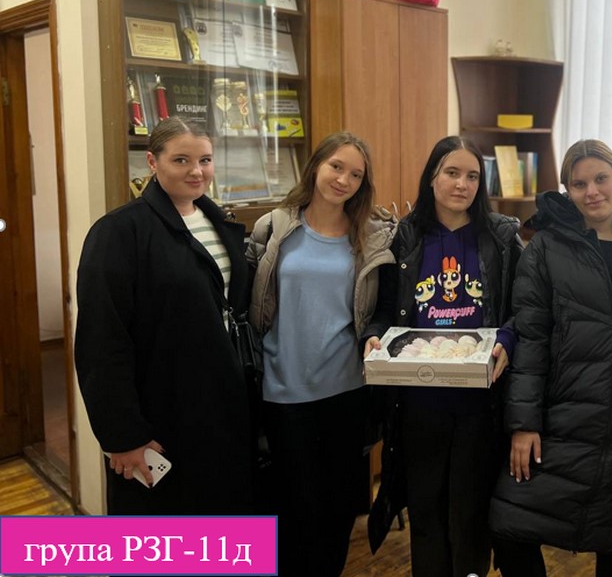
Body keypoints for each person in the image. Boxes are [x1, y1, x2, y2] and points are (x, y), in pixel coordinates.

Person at [490, 139, 612, 577]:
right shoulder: (546, 248)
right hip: (563, 421)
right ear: (568, 190)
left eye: (601, 179)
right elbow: (532, 338)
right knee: (509, 527)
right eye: (579, 184)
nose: (592, 191)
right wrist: (524, 424)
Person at [363, 136, 524, 577]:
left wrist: (507, 339)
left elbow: (523, 308)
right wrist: (375, 337)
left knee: (469, 512)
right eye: (452, 173)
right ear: (432, 177)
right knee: (427, 510)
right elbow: (385, 310)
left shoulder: (501, 237)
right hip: (419, 403)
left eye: (472, 176)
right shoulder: (406, 237)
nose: (462, 184)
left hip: (480, 405)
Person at [75, 117, 253, 515]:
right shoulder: (119, 232)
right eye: (181, 160)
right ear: (153, 162)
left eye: (205, 160)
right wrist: (123, 435)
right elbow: (102, 341)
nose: (196, 171)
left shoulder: (219, 222)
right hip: (161, 412)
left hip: (221, 406)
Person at [245, 132, 395, 577]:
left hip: (346, 391)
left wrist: (373, 335)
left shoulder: (372, 236)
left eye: (356, 175)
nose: (343, 180)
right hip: (283, 391)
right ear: (315, 167)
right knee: (293, 509)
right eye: (336, 167)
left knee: (337, 510)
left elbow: (381, 309)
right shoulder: (274, 227)